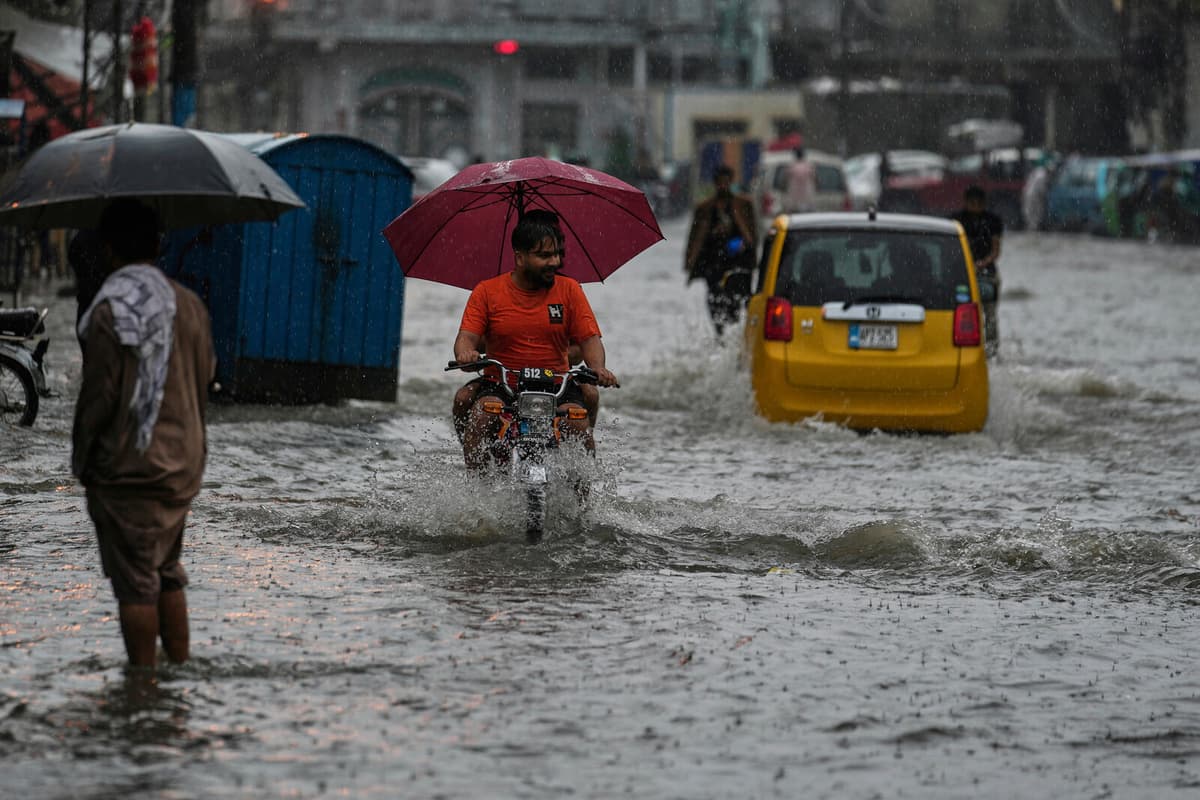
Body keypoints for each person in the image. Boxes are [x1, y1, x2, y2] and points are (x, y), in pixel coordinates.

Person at [72, 199, 216, 670]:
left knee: (136, 581)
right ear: (158, 244)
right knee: (166, 570)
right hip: (184, 463)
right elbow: (205, 377)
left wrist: (83, 460)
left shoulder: (111, 311)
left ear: (107, 249)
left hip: (132, 465)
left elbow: (98, 399)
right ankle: (176, 672)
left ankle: (142, 689)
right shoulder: (189, 304)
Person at [452, 209, 618, 469]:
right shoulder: (486, 291)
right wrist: (466, 354)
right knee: (482, 414)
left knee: (579, 424)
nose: (553, 262)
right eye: (543, 256)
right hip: (502, 384)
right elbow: (466, 338)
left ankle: (581, 502)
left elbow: (590, 339)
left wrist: (598, 367)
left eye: (555, 255)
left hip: (556, 384)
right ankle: (479, 492)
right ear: (519, 257)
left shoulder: (570, 289)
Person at [684, 165, 757, 334]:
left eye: (726, 182)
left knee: (735, 303)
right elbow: (694, 237)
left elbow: (752, 234)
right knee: (714, 301)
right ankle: (720, 332)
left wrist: (745, 247)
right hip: (713, 263)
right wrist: (690, 261)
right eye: (720, 182)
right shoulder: (705, 208)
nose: (723, 186)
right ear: (715, 183)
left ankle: (732, 331)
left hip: (736, 263)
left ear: (731, 182)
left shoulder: (743, 205)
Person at [950, 185, 1004, 354]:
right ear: (965, 202)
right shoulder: (956, 221)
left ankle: (991, 350)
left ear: (983, 203)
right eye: (971, 203)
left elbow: (996, 250)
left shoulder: (992, 221)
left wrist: (981, 264)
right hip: (962, 274)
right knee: (961, 314)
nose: (975, 206)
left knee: (990, 315)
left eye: (978, 203)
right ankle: (964, 348)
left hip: (988, 274)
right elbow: (952, 248)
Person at [783, 145, 817, 214]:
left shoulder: (791, 167)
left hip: (793, 200)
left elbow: (784, 180)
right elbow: (815, 179)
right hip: (808, 199)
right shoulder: (809, 166)